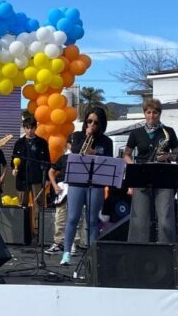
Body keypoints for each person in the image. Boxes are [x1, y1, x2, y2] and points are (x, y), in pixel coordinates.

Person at [60, 107, 114, 266]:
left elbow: (109, 160)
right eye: (89, 121)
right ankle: (67, 252)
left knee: (92, 221)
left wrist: (94, 153)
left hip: (96, 184)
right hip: (77, 183)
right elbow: (75, 152)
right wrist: (87, 137)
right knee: (72, 218)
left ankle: (92, 254)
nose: (92, 125)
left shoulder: (106, 141)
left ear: (101, 124)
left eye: (96, 123)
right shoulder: (77, 136)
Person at [124, 98, 178, 244]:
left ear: (159, 114)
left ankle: (167, 251)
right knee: (139, 221)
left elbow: (177, 154)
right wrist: (133, 167)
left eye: (155, 112)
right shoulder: (136, 133)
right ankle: (138, 252)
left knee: (165, 220)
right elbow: (126, 154)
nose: (151, 116)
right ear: (144, 113)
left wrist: (167, 156)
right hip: (142, 177)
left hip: (164, 178)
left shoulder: (168, 132)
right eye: (148, 112)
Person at [11, 113, 50, 236]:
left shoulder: (42, 142)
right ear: (24, 128)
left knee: (39, 205)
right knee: (23, 205)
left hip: (38, 178)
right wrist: (13, 169)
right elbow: (14, 160)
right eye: (27, 127)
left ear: (35, 128)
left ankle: (39, 233)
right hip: (22, 179)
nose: (29, 130)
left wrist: (47, 178)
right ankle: (24, 232)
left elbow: (47, 161)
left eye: (32, 127)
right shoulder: (19, 142)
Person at [45, 143, 83, 255]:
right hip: (63, 188)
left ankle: (73, 243)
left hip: (76, 187)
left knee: (76, 217)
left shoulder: (84, 159)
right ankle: (58, 242)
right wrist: (55, 186)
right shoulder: (63, 158)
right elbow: (51, 171)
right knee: (60, 216)